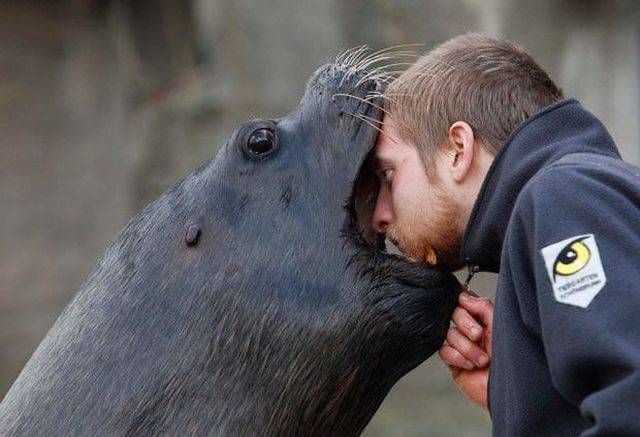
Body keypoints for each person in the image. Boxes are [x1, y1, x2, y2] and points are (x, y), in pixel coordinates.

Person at [371, 33, 640, 435]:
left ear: (458, 149)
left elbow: (631, 407)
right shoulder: (572, 197)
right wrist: (525, 388)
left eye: (389, 174)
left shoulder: (564, 195)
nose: (380, 214)